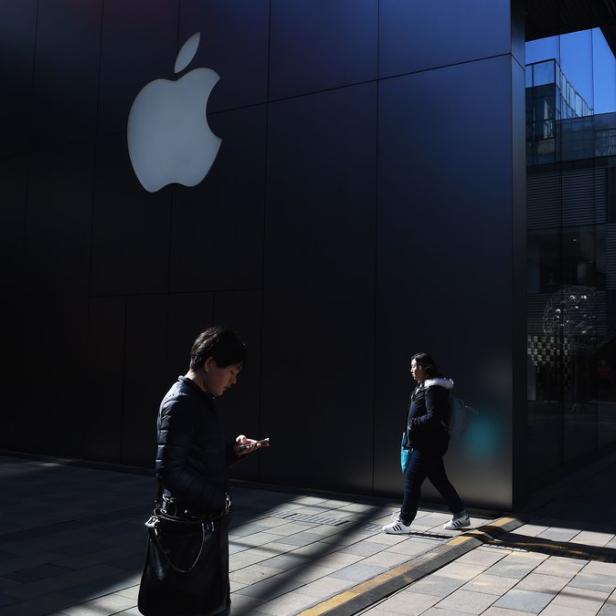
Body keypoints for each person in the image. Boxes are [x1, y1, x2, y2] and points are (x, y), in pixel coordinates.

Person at [148, 326, 268, 615]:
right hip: (188, 532)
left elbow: (195, 460)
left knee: (211, 605)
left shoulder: (199, 399)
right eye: (232, 372)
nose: (234, 381)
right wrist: (219, 501)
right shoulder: (181, 402)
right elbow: (169, 470)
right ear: (210, 363)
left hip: (201, 525)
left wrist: (232, 452)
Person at [382, 352, 470, 534]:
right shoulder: (424, 387)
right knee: (439, 480)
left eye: (414, 366)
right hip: (429, 443)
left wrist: (413, 423)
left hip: (429, 444)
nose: (411, 370)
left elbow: (434, 416)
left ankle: (404, 522)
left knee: (412, 481)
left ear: (424, 367)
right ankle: (461, 516)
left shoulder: (433, 388)